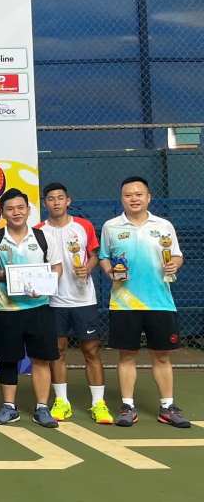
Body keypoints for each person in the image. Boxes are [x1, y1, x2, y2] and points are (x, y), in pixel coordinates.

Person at [99, 176, 188, 428]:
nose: (134, 198)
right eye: (128, 195)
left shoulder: (164, 226)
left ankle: (167, 406)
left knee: (161, 357)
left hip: (160, 302)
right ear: (122, 199)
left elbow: (178, 255)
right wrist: (109, 271)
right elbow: (104, 257)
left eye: (139, 194)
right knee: (126, 355)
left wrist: (175, 263)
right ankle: (127, 406)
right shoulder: (111, 226)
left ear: (148, 197)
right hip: (124, 302)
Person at [36, 182, 111, 424]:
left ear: (68, 201)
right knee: (57, 351)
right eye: (51, 198)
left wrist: (88, 268)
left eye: (60, 198)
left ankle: (99, 404)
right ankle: (61, 402)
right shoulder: (38, 231)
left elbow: (95, 254)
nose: (56, 202)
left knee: (91, 351)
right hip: (54, 301)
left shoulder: (83, 226)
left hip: (83, 299)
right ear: (45, 203)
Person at [0, 188, 62, 428]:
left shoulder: (42, 237)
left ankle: (42, 407)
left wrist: (45, 285)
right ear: (2, 213)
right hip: (7, 310)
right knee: (9, 360)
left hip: (39, 308)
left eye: (20, 208)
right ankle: (9, 407)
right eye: (10, 209)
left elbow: (56, 268)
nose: (16, 212)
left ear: (28, 210)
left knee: (41, 359)